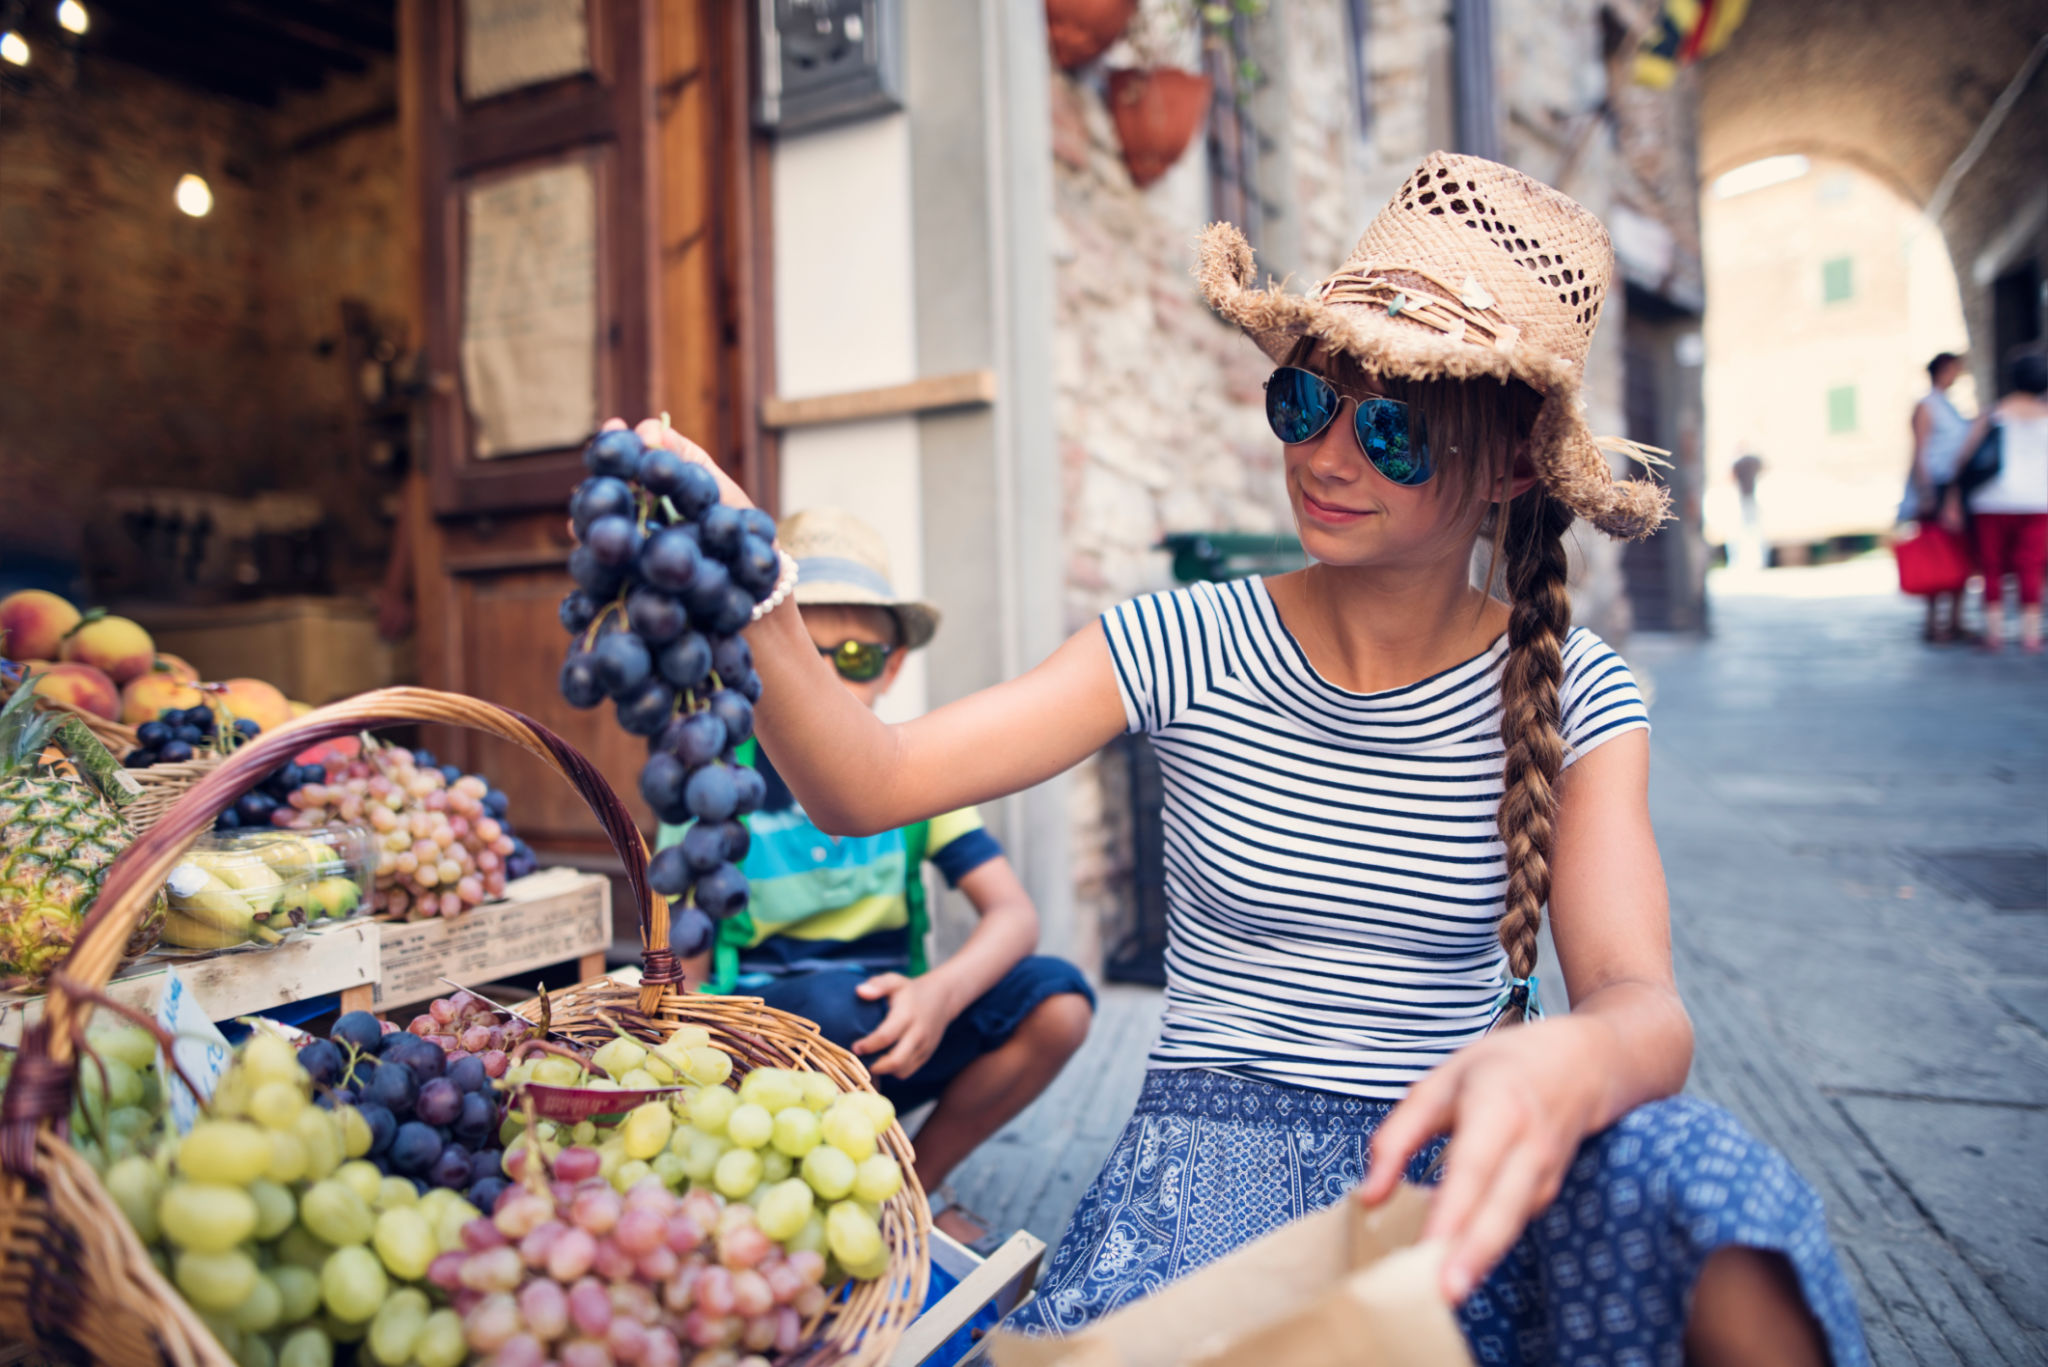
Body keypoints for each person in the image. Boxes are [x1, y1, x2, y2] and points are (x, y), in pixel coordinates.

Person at [615, 152, 1867, 1366]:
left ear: (1502, 466)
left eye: (1393, 430)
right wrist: (749, 578)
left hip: (1459, 1149)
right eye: (1303, 402)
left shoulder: (1579, 691)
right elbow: (865, 784)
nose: (1324, 457)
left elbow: (1640, 1003)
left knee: (1707, 1187)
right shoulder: (1177, 638)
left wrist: (1565, 1055)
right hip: (1202, 1169)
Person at [660, 508, 1095, 1225]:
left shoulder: (917, 776)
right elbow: (689, 963)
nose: (827, 680)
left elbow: (1013, 914)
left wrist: (941, 992)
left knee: (1059, 1001)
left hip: (900, 1025)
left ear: (892, 666)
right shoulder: (715, 783)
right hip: (776, 1049)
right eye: (800, 654)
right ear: (750, 661)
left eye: (856, 658)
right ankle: (858, 1196)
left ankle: (910, 1188)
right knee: (835, 1002)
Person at [1953, 349, 2048, 653]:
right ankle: (2030, 635)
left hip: (1992, 500)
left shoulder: (1993, 414)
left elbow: (1964, 458)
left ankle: (1994, 634)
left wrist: (1953, 499)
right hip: (2038, 501)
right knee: (2031, 565)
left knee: (1991, 565)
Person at [1906, 352, 1973, 642]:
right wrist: (1926, 491)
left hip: (1956, 487)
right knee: (1935, 554)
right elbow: (1921, 452)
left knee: (1960, 554)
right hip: (1936, 487)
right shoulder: (1927, 406)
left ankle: (1955, 621)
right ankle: (1934, 623)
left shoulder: (1951, 407)